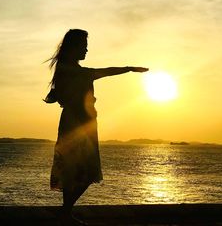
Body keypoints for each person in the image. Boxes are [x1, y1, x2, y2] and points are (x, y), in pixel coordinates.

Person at [44, 29, 148, 225]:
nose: (86, 50)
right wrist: (129, 68)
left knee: (77, 169)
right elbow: (101, 73)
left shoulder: (66, 69)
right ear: (73, 47)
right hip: (78, 123)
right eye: (83, 46)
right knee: (83, 170)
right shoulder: (72, 70)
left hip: (80, 122)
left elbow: (58, 94)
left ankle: (65, 213)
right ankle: (65, 212)